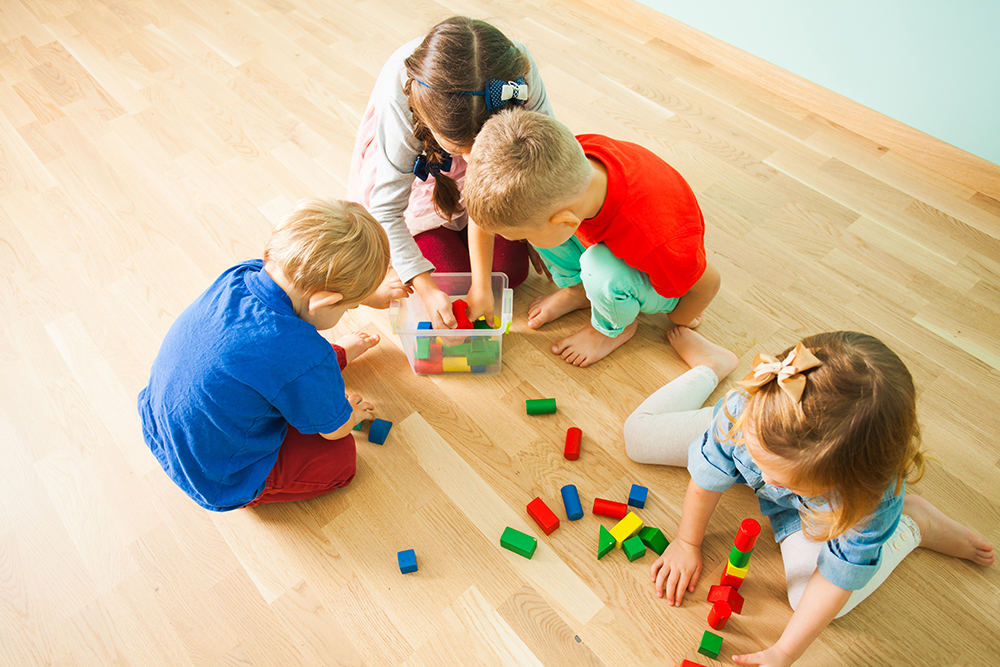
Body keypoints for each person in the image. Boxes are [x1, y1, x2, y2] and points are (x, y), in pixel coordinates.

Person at [624, 327, 995, 666]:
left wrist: (784, 651)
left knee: (811, 602)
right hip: (745, 427)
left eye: (783, 477)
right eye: (762, 458)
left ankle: (914, 524)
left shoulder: (866, 503)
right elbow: (708, 475)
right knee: (638, 437)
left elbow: (837, 577)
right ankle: (711, 365)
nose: (764, 476)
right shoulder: (749, 409)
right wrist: (687, 541)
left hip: (814, 514)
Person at [137, 199, 406, 511]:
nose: (350, 310)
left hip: (161, 424)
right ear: (323, 301)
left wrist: (363, 291)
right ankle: (250, 490)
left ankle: (328, 369)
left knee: (278, 367)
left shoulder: (242, 273)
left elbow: (264, 353)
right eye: (349, 306)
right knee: (341, 459)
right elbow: (334, 431)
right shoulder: (304, 354)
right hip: (218, 477)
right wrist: (351, 418)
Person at [464, 109, 720, 367]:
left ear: (566, 222)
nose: (519, 242)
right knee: (534, 222)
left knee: (598, 269)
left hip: (655, 259)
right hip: (606, 230)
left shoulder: (656, 240)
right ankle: (579, 291)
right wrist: (481, 286)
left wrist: (681, 318)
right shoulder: (559, 163)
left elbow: (708, 281)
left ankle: (613, 329)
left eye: (519, 239)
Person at [348, 16, 553, 329]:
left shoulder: (518, 78)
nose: (472, 160)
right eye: (462, 148)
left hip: (492, 182)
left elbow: (549, 160)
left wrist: (537, 227)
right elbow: (386, 209)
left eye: (478, 149)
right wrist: (426, 289)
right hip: (428, 180)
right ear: (427, 123)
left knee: (509, 272)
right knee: (448, 285)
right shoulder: (401, 96)